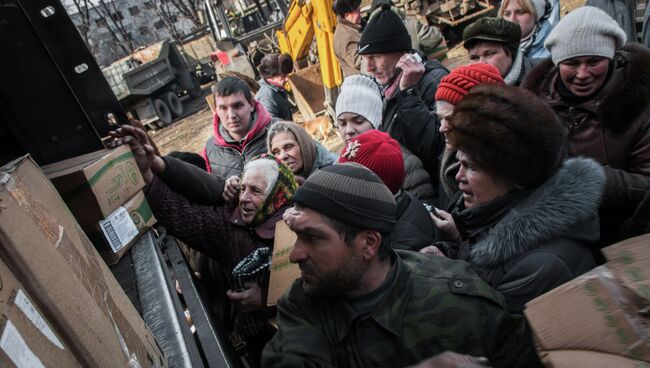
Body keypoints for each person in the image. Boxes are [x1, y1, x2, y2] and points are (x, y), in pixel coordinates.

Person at [261, 163, 541, 367]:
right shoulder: (302, 304)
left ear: (368, 244)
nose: (295, 255)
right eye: (298, 236)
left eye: (312, 237)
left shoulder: (462, 303)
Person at [113, 124, 298, 364]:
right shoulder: (230, 225)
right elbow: (181, 213)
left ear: (278, 194)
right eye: (242, 188)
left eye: (255, 191)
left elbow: (324, 288)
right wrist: (148, 176)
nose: (244, 198)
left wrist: (265, 299)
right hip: (263, 345)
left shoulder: (301, 224)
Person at [433, 84, 602, 313]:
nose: (458, 176)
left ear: (513, 176)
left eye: (470, 167)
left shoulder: (541, 266)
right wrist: (445, 257)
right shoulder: (492, 212)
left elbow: (489, 335)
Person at [523, 6, 650, 246]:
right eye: (571, 63)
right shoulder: (532, 104)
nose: (582, 74)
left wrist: (594, 180)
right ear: (557, 62)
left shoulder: (641, 107)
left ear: (610, 57)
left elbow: (647, 188)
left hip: (621, 238)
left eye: (594, 61)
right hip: (556, 235)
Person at [357, 6, 448, 176]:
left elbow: (432, 149)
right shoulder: (385, 88)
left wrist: (408, 93)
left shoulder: (434, 82)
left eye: (375, 57)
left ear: (401, 52)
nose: (369, 67)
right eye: (365, 59)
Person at [336, 74, 435, 204]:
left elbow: (424, 212)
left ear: (376, 121)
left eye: (358, 121)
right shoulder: (340, 162)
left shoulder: (405, 163)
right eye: (342, 123)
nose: (348, 130)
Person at [338, 129, 436, 251]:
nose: (339, 188)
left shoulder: (402, 246)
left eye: (348, 184)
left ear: (372, 192)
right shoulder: (382, 212)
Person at [434, 63, 505, 211]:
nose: (442, 128)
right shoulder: (451, 154)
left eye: (451, 119)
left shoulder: (497, 166)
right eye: (440, 118)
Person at [202, 76, 273, 180]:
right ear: (216, 110)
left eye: (238, 106)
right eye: (223, 108)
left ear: (251, 105)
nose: (231, 115)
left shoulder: (278, 133)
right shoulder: (209, 150)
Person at [463, 17, 536, 86]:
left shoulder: (543, 76)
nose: (481, 63)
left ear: (511, 53)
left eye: (489, 54)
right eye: (474, 57)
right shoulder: (470, 87)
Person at [266, 121, 338, 178]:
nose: (282, 156)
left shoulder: (336, 169)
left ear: (304, 145)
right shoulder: (282, 188)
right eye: (276, 152)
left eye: (288, 147)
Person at [255, 53, 294, 120]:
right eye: (283, 76)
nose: (287, 79)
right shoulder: (266, 97)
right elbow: (271, 127)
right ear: (271, 76)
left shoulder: (276, 90)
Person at [333, 0, 363, 77]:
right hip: (361, 83)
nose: (361, 14)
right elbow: (357, 62)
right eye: (358, 11)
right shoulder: (345, 36)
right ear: (347, 16)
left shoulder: (355, 26)